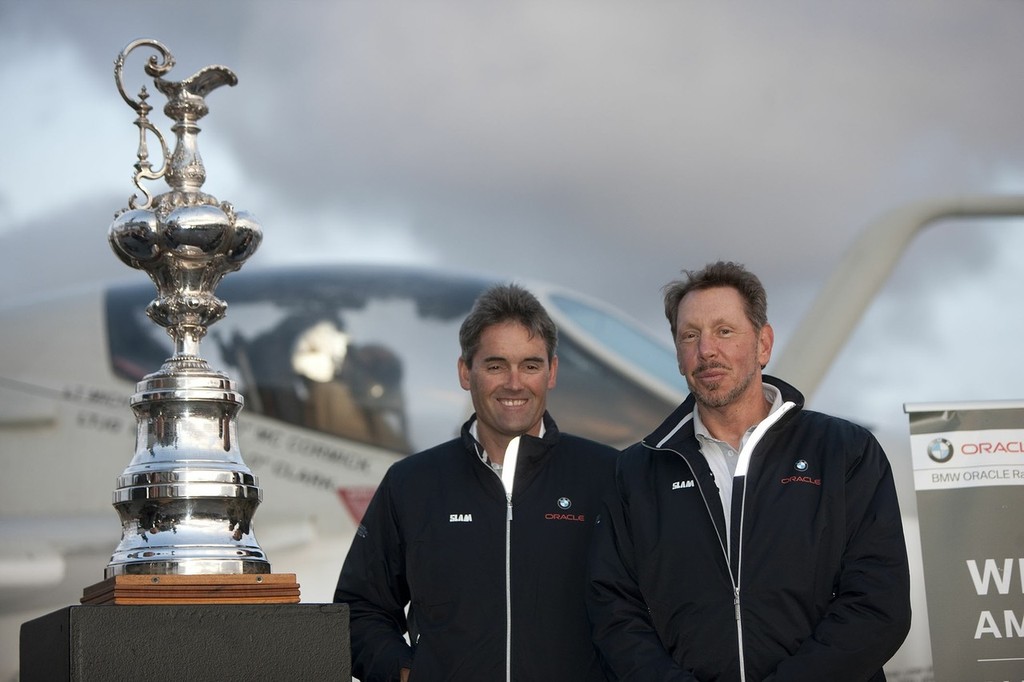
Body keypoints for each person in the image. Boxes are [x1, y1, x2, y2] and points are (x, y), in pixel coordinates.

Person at [587, 261, 911, 681]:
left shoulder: (844, 451)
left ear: (763, 344)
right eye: (690, 335)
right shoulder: (636, 471)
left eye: (724, 331)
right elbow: (615, 613)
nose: (707, 350)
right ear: (679, 354)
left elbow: (877, 605)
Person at [335, 283, 617, 682]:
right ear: (466, 372)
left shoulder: (608, 476)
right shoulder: (412, 483)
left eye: (531, 365)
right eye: (496, 365)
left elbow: (648, 613)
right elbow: (359, 611)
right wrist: (406, 674)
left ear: (552, 372)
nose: (514, 383)